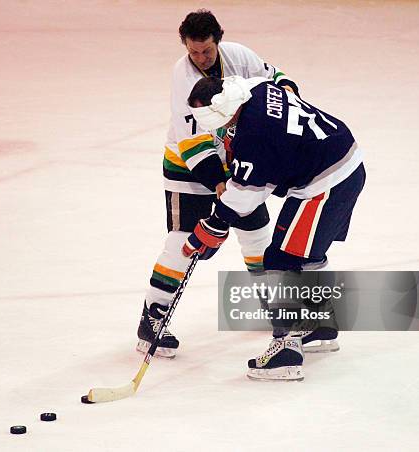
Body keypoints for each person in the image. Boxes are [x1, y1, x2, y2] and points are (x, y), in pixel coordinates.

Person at [137, 9, 300, 358]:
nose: (200, 58)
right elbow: (190, 140)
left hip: (235, 160)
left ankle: (276, 314)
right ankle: (152, 318)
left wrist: (289, 99)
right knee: (182, 241)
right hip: (188, 166)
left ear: (218, 40)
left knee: (257, 237)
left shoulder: (239, 55)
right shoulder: (181, 77)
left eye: (206, 51)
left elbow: (278, 79)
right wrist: (218, 184)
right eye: (193, 52)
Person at [185, 75, 366, 380]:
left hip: (326, 182)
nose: (216, 130)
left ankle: (286, 351)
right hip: (344, 163)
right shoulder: (255, 87)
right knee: (306, 255)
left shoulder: (254, 135)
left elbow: (247, 197)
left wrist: (212, 227)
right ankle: (319, 326)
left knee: (281, 260)